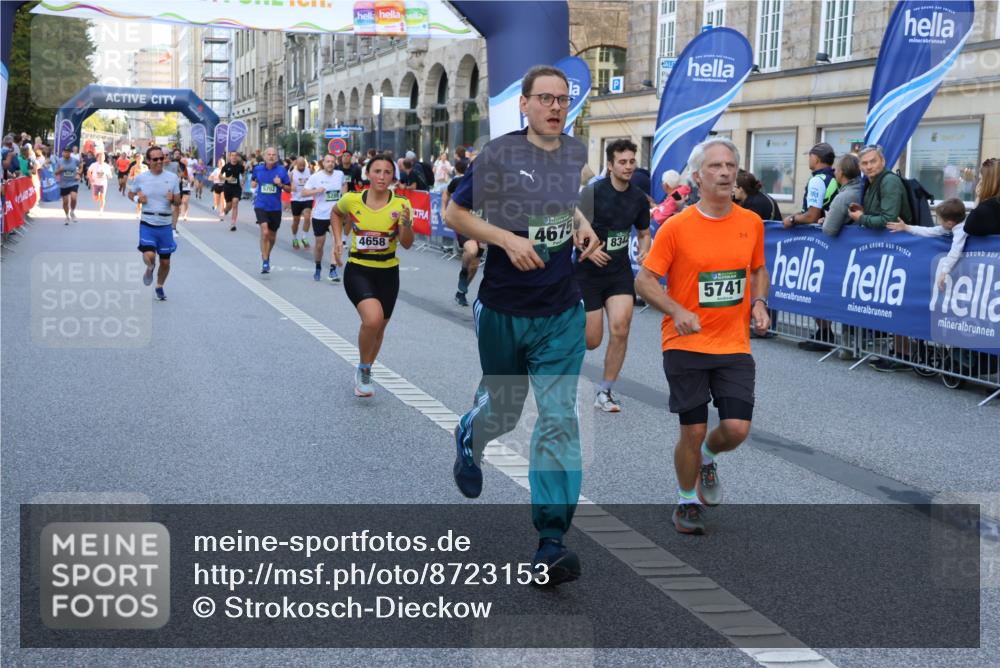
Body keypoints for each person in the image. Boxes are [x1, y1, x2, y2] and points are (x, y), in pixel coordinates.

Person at [444, 65, 601, 586]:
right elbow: (454, 213)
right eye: (546, 99)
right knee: (506, 414)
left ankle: (551, 542)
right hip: (505, 308)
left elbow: (563, 206)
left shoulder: (575, 153)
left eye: (563, 99)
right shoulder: (501, 155)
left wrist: (584, 228)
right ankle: (472, 431)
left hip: (560, 309)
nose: (556, 107)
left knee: (559, 419)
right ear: (525, 106)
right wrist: (507, 240)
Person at [635, 137, 770, 536]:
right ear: (697, 176)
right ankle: (686, 501)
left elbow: (758, 269)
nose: (725, 172)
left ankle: (708, 458)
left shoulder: (751, 222)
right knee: (691, 429)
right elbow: (645, 281)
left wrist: (759, 302)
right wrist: (677, 310)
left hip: (733, 343)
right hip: (685, 343)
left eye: (730, 165)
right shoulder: (677, 227)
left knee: (736, 429)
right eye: (715, 166)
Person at [575, 138, 651, 412]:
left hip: (618, 273)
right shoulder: (593, 193)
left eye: (632, 161)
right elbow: (573, 228)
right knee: (591, 340)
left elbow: (643, 233)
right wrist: (588, 250)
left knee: (621, 328)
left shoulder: (638, 198)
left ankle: (605, 392)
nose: (629, 166)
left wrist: (644, 251)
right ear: (610, 165)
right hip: (588, 273)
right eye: (623, 162)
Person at [332, 154, 414, 396]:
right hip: (359, 268)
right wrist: (337, 241)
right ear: (368, 174)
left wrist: (406, 226)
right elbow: (336, 213)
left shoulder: (401, 205)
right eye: (377, 171)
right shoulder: (352, 200)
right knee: (372, 320)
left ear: (393, 177)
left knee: (379, 328)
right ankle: (364, 370)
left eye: (387, 172)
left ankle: (365, 368)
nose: (381, 176)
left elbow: (407, 244)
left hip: (388, 271)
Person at [128, 146, 180, 301]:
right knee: (150, 255)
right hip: (148, 222)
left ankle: (159, 286)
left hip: (165, 223)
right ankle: (150, 268)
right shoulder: (141, 178)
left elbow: (178, 201)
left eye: (161, 158)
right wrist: (138, 199)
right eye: (155, 159)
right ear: (149, 161)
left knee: (165, 261)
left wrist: (173, 199)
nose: (159, 161)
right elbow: (130, 193)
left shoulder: (172, 178)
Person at [887, 198, 968, 290]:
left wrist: (944, 272)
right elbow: (929, 231)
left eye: (940, 220)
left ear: (949, 223)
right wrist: (906, 227)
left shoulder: (961, 231)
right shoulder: (950, 226)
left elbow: (955, 251)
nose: (939, 223)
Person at [443, 159, 482, 307]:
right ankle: (463, 272)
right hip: (465, 224)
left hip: (483, 226)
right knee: (472, 250)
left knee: (475, 265)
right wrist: (443, 210)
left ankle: (461, 292)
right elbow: (446, 193)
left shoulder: (495, 185)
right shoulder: (461, 181)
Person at [301, 153, 345, 282]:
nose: (330, 163)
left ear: (335, 162)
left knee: (336, 242)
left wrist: (344, 198)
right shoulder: (316, 177)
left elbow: (344, 186)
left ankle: (332, 269)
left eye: (332, 161)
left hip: (335, 215)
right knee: (319, 246)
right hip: (320, 216)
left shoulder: (340, 175)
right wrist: (316, 191)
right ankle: (318, 265)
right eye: (327, 161)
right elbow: (304, 192)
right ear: (323, 163)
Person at [849, 144, 911, 229]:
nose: (869, 167)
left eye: (873, 161)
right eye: (864, 163)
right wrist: (863, 211)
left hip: (893, 240)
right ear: (860, 167)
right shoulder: (871, 181)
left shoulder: (889, 181)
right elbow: (879, 213)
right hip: (881, 240)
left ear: (883, 162)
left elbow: (889, 220)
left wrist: (861, 218)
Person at [250, 147, 291, 273]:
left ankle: (266, 255)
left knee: (272, 237)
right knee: (265, 232)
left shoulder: (282, 170)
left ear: (277, 157)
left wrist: (280, 184)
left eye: (274, 154)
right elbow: (253, 181)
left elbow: (289, 189)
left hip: (275, 208)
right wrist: (253, 186)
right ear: (264, 156)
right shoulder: (257, 169)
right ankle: (266, 260)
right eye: (269, 154)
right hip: (261, 205)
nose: (271, 156)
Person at [820, 153, 863, 237]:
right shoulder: (864, 189)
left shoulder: (842, 197)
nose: (834, 172)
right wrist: (829, 219)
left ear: (841, 173)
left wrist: (827, 221)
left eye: (835, 169)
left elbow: (829, 230)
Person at [964, 157, 1000, 236]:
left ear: (988, 182)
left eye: (981, 179)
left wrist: (979, 197)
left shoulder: (985, 210)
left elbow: (967, 228)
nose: (979, 183)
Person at [288, 156, 313, 250]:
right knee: (296, 220)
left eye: (303, 165)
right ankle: (294, 238)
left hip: (307, 197)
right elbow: (287, 183)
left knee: (307, 217)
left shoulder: (309, 171)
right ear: (296, 164)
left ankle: (304, 237)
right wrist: (291, 184)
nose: (302, 167)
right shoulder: (292, 173)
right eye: (300, 165)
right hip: (296, 199)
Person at [54, 147, 82, 224]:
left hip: (73, 182)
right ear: (63, 153)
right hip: (64, 183)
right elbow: (55, 172)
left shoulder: (74, 160)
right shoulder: (59, 161)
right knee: (65, 201)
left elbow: (81, 165)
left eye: (68, 152)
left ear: (70, 153)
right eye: (65, 152)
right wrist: (60, 170)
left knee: (73, 197)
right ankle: (67, 216)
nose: (66, 153)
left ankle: (72, 212)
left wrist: (79, 173)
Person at [221, 151, 245, 231]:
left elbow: (244, 174)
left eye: (235, 155)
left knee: (235, 203)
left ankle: (233, 223)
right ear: (230, 157)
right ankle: (225, 210)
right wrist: (227, 178)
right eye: (232, 155)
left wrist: (243, 181)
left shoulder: (240, 166)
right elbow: (220, 176)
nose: (234, 157)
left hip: (237, 188)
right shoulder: (226, 166)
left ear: (237, 157)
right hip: (227, 188)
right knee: (229, 206)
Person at [127, 153, 148, 218]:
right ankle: (138, 213)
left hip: (145, 185)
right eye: (138, 158)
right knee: (140, 199)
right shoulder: (133, 167)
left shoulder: (145, 167)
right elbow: (129, 177)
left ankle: (141, 211)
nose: (139, 160)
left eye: (141, 158)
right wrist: (134, 177)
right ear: (136, 159)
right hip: (137, 185)